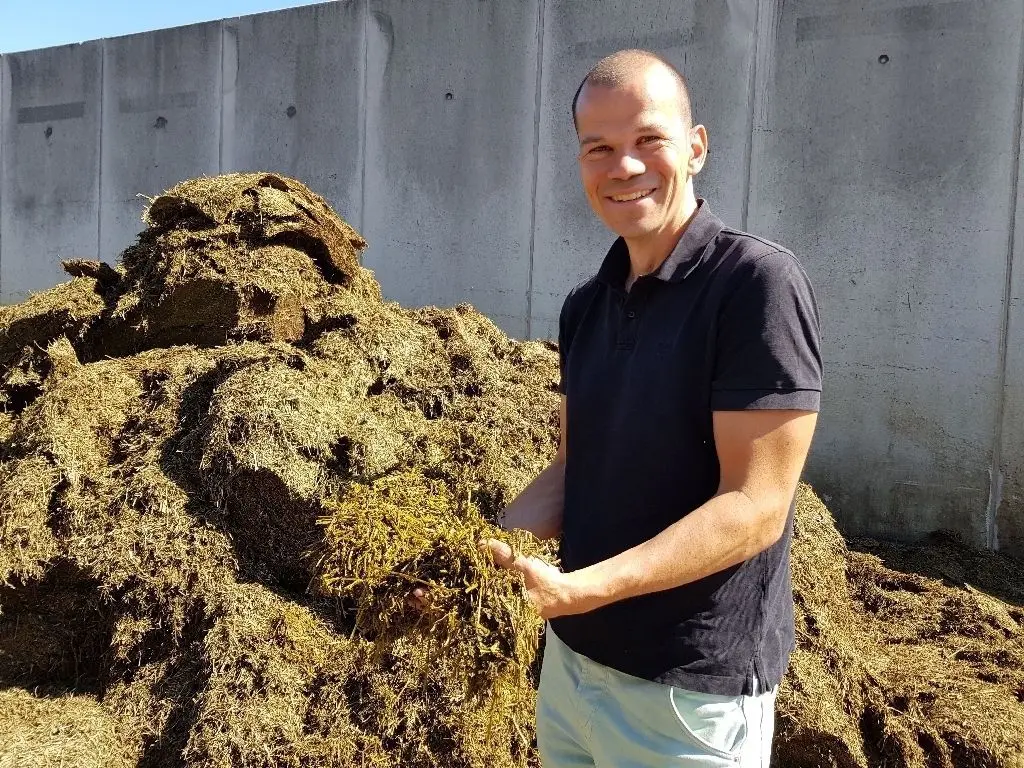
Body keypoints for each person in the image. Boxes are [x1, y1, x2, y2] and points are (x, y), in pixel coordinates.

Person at [481, 50, 822, 767]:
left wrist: (585, 588)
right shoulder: (586, 305)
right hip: (571, 671)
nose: (624, 166)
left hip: (686, 696)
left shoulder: (755, 284)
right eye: (599, 148)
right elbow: (575, 468)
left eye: (648, 140)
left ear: (695, 147)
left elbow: (756, 505)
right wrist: (480, 553)